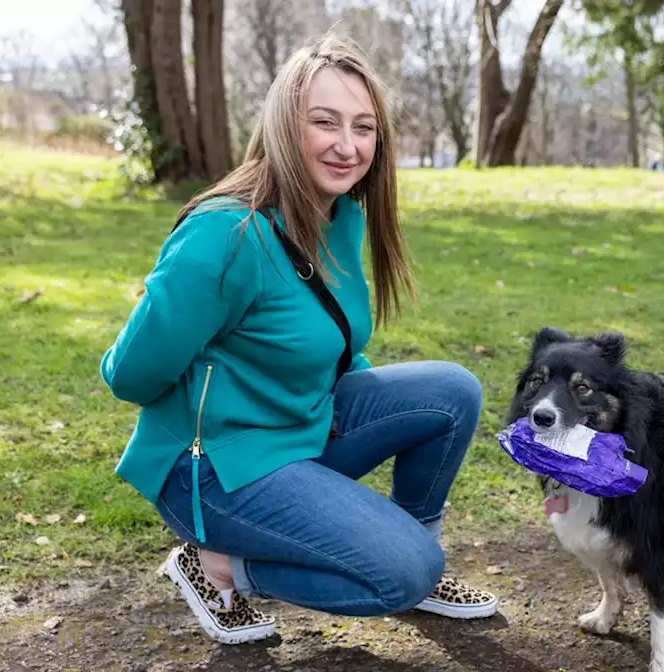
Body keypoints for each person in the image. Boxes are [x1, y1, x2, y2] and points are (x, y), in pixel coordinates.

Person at [98, 31, 498, 645]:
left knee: (452, 390)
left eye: (364, 127)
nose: (347, 145)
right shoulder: (224, 238)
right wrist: (168, 308)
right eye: (325, 122)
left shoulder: (339, 217)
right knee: (403, 572)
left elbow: (330, 344)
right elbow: (128, 376)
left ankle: (420, 549)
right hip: (212, 470)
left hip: (298, 433)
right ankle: (219, 565)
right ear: (286, 125)